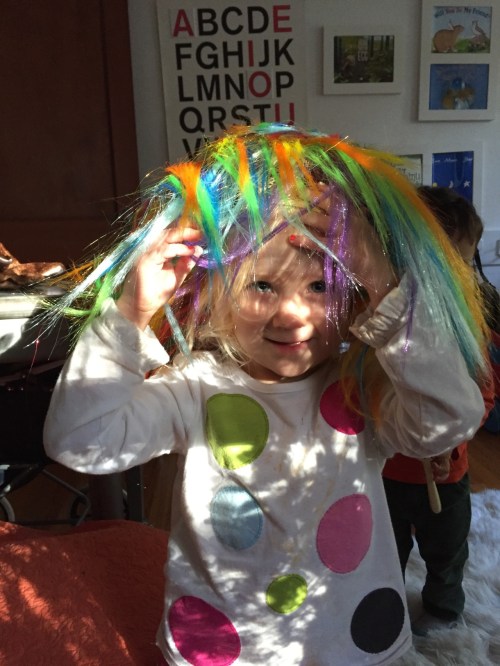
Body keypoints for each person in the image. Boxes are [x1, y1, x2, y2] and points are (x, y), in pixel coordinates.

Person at [43, 124, 488, 666]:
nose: (291, 314)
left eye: (320, 286)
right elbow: (81, 441)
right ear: (213, 295)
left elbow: (448, 422)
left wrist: (384, 283)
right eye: (261, 285)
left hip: (352, 639)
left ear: (355, 296)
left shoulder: (361, 389)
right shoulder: (194, 388)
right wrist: (130, 313)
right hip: (228, 648)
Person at [382, 185, 494, 637]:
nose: (457, 275)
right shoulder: (385, 325)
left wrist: (455, 437)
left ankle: (444, 611)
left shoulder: (467, 325)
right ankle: (385, 603)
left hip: (448, 473)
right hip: (386, 469)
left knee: (446, 551)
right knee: (384, 551)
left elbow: (483, 394)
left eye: (464, 262)